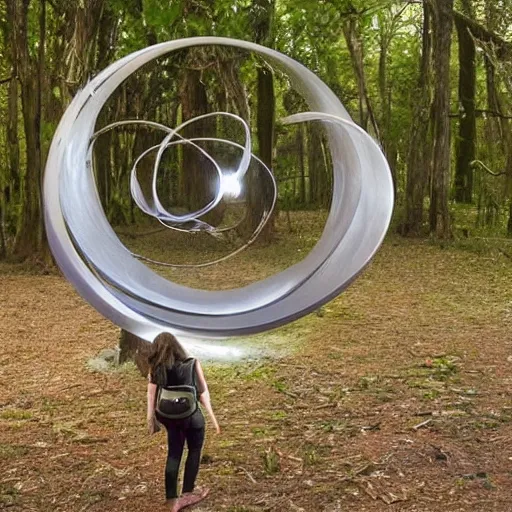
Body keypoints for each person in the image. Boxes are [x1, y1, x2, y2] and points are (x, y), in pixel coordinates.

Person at [146, 332, 221, 512]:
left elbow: (151, 394)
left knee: (174, 454)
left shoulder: (156, 367)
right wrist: (213, 418)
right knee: (194, 451)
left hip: (170, 418)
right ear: (177, 346)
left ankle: (171, 499)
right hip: (192, 417)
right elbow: (203, 393)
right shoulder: (192, 363)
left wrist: (150, 417)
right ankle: (188, 492)